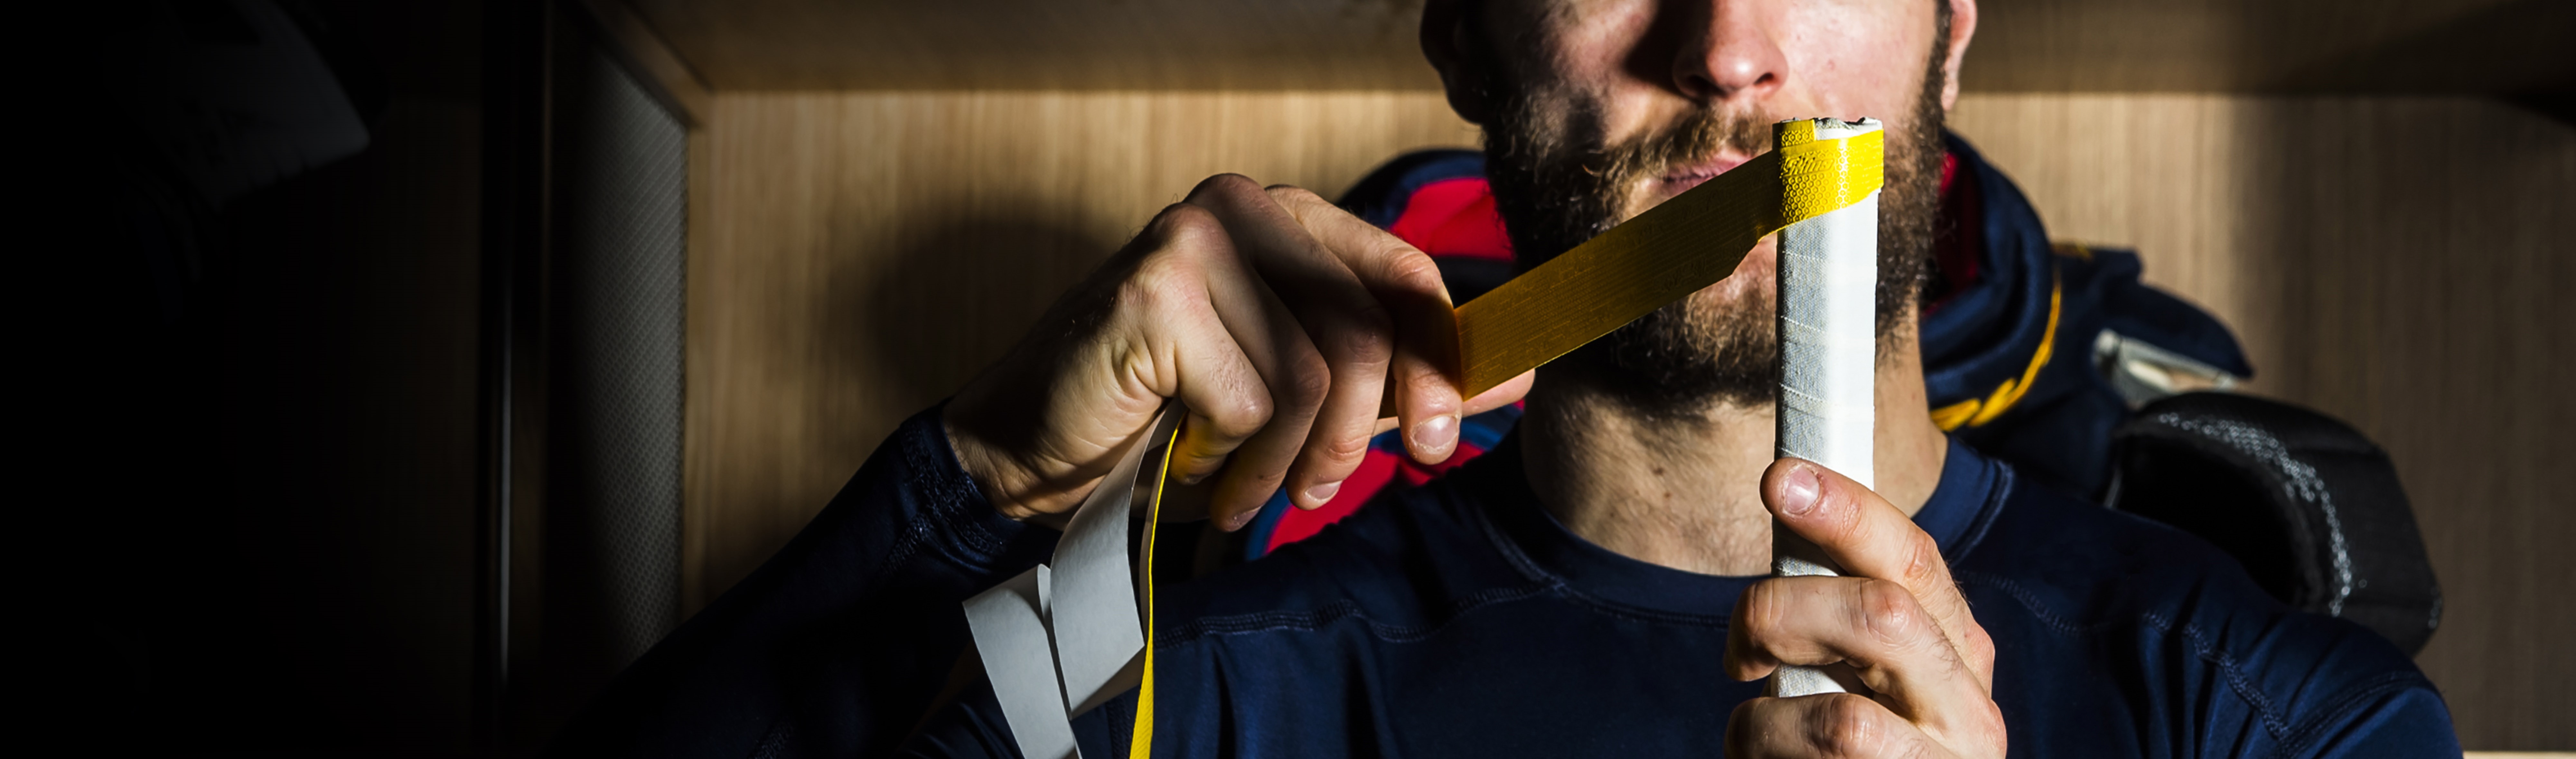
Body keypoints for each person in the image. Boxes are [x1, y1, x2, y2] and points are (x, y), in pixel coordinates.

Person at [549, 0, 2458, 756]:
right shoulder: (1197, 701)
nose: (1726, 45)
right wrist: (979, 470)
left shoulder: (2281, 724)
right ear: (1465, 35)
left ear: (1953, 20)